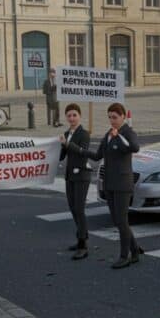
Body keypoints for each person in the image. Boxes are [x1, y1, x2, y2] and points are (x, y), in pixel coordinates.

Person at [67, 102, 141, 269]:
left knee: (122, 221)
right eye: (109, 117)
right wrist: (74, 148)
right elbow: (97, 155)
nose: (112, 120)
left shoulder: (128, 132)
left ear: (122, 117)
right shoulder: (108, 134)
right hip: (109, 183)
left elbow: (134, 148)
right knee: (117, 220)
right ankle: (135, 250)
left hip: (123, 184)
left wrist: (119, 137)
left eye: (115, 117)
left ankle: (125, 256)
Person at [58, 104, 92, 260]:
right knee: (72, 208)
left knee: (79, 208)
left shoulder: (84, 134)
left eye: (74, 115)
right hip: (70, 176)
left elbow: (82, 153)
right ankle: (79, 239)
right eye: (69, 115)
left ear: (79, 116)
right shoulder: (66, 133)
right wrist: (56, 147)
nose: (71, 118)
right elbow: (62, 156)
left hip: (82, 176)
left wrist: (67, 144)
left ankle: (83, 245)